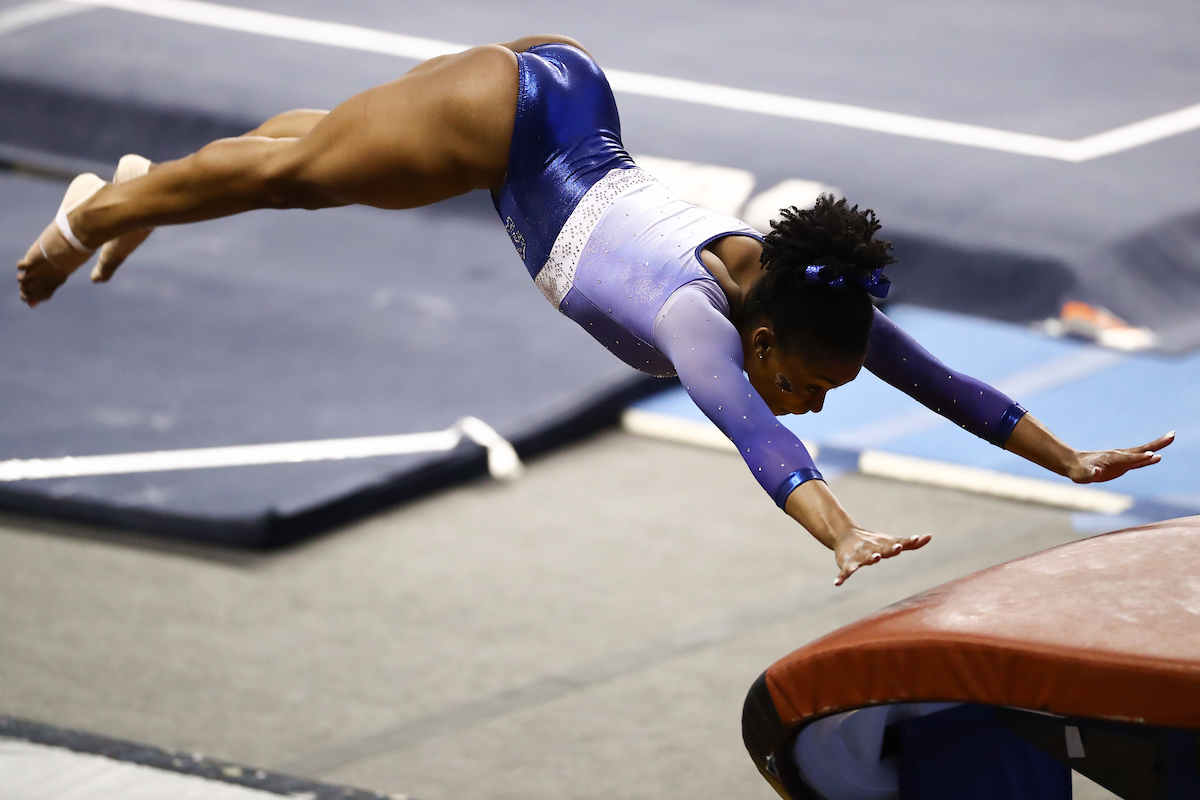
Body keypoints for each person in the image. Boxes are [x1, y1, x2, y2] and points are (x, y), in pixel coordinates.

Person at [15, 37, 1172, 585]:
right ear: (760, 340)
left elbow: (943, 382)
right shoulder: (695, 321)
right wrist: (841, 528)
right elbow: (757, 436)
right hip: (511, 122)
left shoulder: (808, 295)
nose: (815, 396)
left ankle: (131, 191)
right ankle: (89, 222)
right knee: (296, 170)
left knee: (303, 154)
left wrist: (1064, 458)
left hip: (552, 112)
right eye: (814, 382)